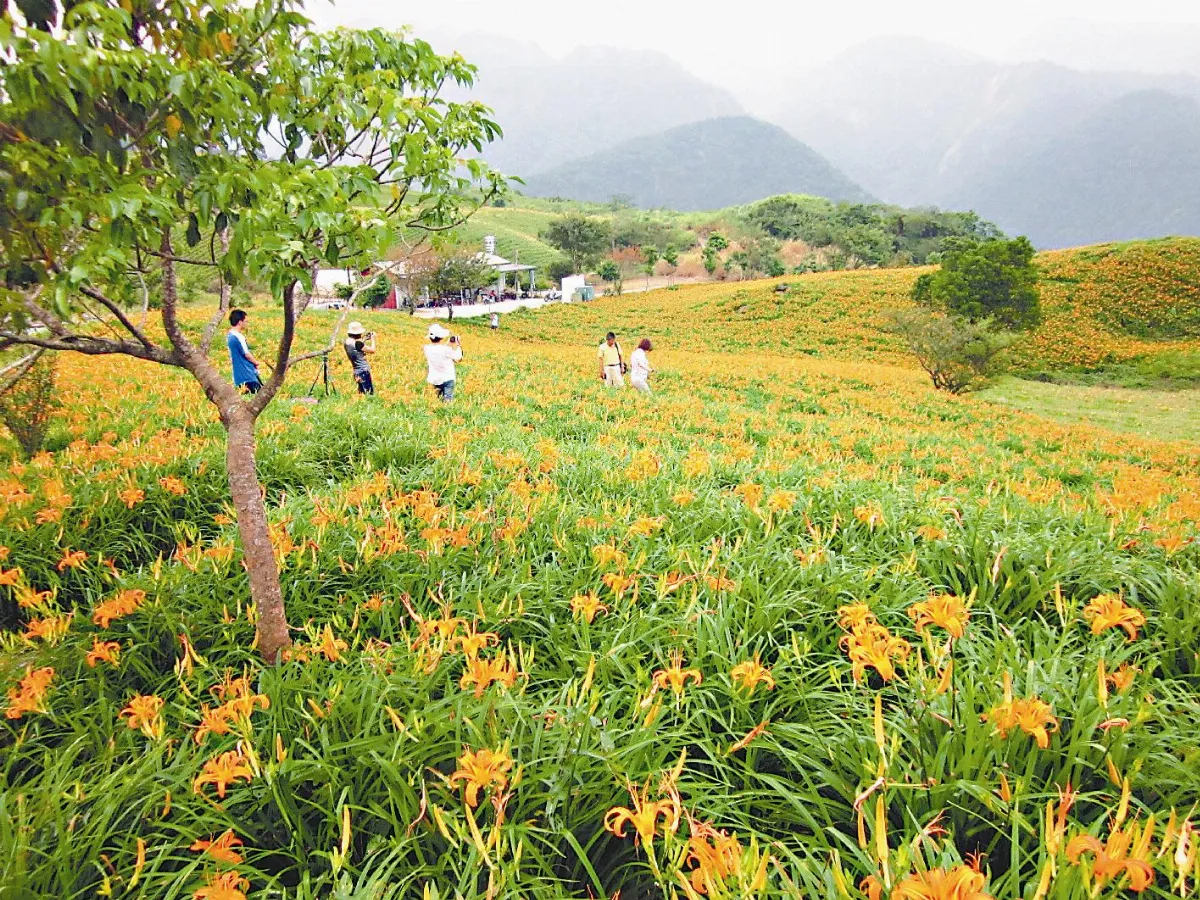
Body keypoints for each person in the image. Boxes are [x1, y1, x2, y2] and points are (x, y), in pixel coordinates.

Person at [226, 309, 265, 394]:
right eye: (246, 321)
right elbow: (246, 354)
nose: (247, 324)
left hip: (238, 376)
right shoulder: (238, 337)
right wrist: (256, 362)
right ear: (240, 322)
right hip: (247, 374)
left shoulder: (229, 336)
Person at [425, 323, 463, 402]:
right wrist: (458, 345)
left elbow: (439, 350)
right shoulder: (446, 350)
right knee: (447, 400)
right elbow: (458, 358)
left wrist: (448, 344)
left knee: (436, 399)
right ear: (442, 337)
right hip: (447, 379)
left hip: (434, 378)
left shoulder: (427, 348)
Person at [343, 321, 377, 395]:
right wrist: (373, 339)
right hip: (363, 371)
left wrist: (364, 339)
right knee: (368, 393)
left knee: (361, 393)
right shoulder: (358, 344)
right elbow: (372, 350)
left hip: (356, 371)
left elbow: (357, 348)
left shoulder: (347, 342)